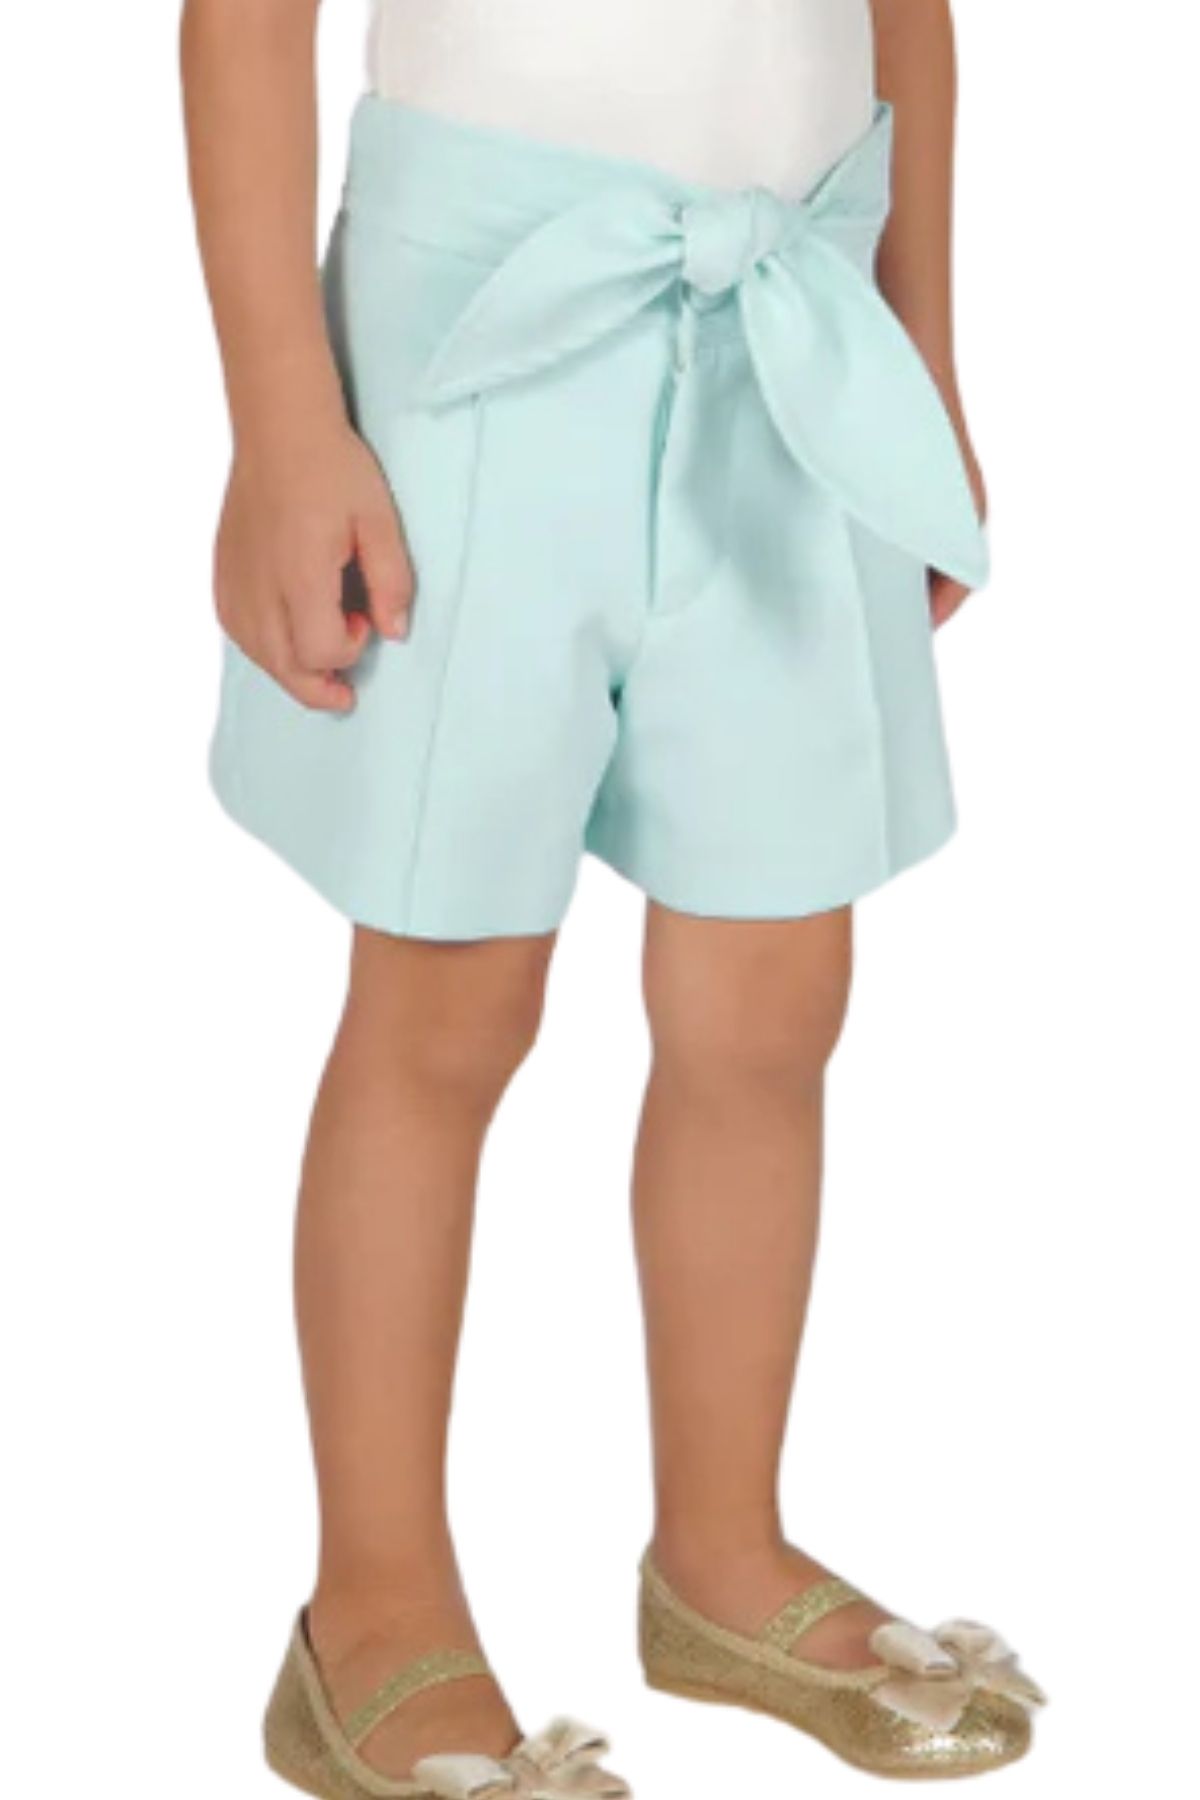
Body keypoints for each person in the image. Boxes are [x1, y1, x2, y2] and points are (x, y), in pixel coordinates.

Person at [181, 1, 1045, 1791]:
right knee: (447, 1000)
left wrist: (924, 355)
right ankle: (373, 1609)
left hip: (797, 316)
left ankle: (721, 1555)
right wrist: (281, 421)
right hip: (479, 331)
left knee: (773, 995)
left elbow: (908, 14)